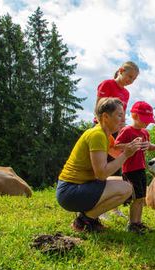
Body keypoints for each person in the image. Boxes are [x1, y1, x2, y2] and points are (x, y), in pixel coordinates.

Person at [56, 97, 143, 233]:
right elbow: (101, 174)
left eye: (124, 115)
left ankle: (90, 217)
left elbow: (115, 151)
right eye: (119, 115)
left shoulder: (104, 135)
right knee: (126, 188)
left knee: (127, 182)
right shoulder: (97, 135)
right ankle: (84, 221)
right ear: (105, 117)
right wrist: (126, 154)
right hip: (70, 192)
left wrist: (135, 146)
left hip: (76, 188)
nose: (123, 120)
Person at [115, 101, 155, 234]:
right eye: (144, 120)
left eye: (149, 121)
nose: (147, 123)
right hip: (130, 170)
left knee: (141, 198)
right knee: (136, 198)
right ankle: (132, 224)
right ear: (134, 115)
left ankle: (138, 223)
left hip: (140, 169)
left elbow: (148, 146)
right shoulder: (127, 130)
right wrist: (129, 145)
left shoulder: (145, 132)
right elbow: (116, 145)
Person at [96, 61, 140, 218]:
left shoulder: (126, 94)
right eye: (129, 76)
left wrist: (123, 131)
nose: (131, 81)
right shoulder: (107, 84)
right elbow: (99, 108)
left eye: (134, 79)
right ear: (121, 71)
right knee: (103, 165)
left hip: (117, 132)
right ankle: (99, 205)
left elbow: (121, 115)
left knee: (117, 166)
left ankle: (113, 205)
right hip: (103, 130)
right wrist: (103, 130)